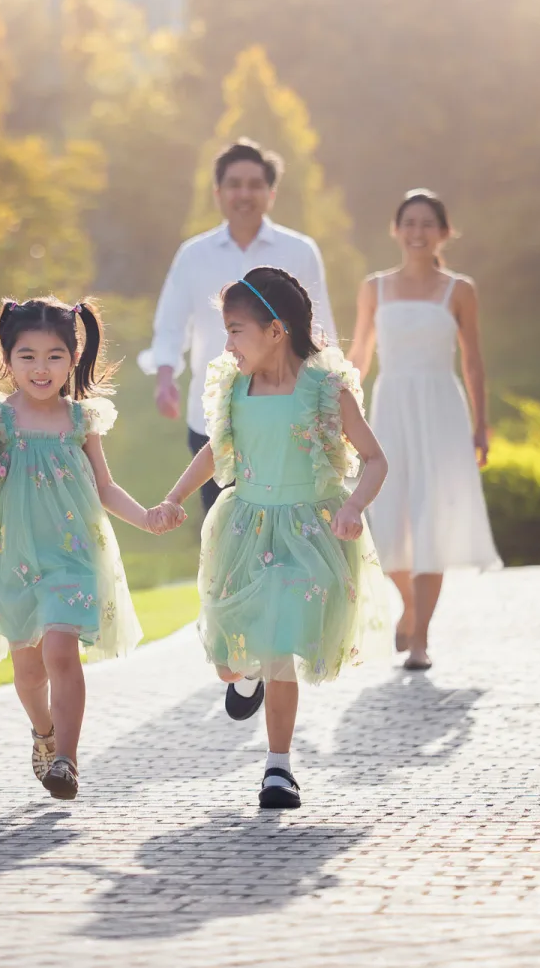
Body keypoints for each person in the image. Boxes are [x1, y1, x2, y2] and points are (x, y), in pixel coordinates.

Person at [147, 266, 396, 809]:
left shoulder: (324, 389)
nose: (229, 343)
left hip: (310, 530)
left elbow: (375, 460)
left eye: (236, 330)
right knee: (230, 658)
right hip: (247, 527)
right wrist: (173, 498)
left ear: (275, 330)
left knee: (281, 648)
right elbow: (215, 451)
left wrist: (355, 505)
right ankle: (243, 680)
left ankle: (278, 768)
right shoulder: (235, 387)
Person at [0, 297, 158, 801]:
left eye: (55, 356)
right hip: (13, 554)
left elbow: (104, 486)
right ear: (8, 356)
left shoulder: (82, 420)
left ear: (73, 358)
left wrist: (146, 517)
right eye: (28, 356)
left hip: (72, 552)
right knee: (29, 668)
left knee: (62, 652)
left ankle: (68, 760)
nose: (42, 369)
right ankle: (43, 732)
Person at [345, 189, 501, 672]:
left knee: (431, 520)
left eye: (427, 224)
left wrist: (481, 425)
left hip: (441, 413)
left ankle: (420, 641)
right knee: (388, 519)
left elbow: (472, 361)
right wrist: (339, 412)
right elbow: (360, 357)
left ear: (443, 232)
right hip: (390, 408)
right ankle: (409, 610)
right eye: (408, 223)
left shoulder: (461, 290)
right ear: (396, 230)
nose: (417, 232)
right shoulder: (375, 287)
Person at [143, 139, 340, 515]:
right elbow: (170, 323)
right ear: (218, 192)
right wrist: (165, 377)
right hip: (213, 415)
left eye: (254, 185)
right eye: (234, 184)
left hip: (289, 414)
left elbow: (321, 328)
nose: (244, 194)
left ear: (271, 192)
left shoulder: (300, 251)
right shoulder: (193, 255)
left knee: (288, 523)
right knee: (225, 532)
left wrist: (330, 398)